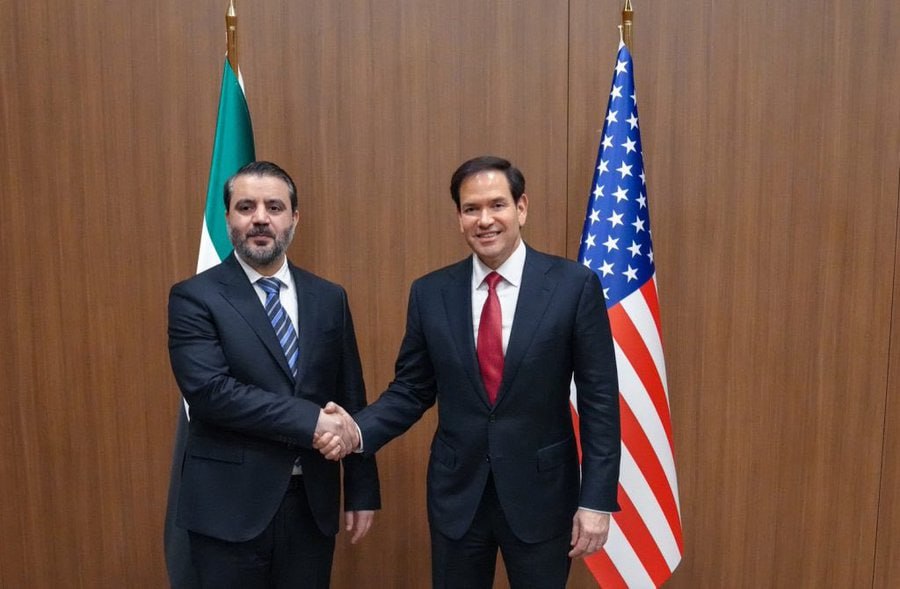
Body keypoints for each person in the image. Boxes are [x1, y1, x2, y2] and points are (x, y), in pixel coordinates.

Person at [317, 155, 621, 588]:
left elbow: (600, 401)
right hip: (458, 495)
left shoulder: (574, 286)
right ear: (459, 218)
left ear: (521, 208)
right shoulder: (430, 293)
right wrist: (356, 431)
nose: (485, 220)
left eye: (497, 205)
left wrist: (596, 501)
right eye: (471, 209)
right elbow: (412, 389)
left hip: (543, 494)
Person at [168, 160, 380, 589]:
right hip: (228, 508)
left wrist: (361, 489)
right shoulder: (194, 297)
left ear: (294, 217)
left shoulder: (329, 297)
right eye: (246, 207)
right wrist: (312, 421)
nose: (261, 218)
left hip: (311, 506)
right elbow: (212, 393)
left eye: (275, 207)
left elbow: (350, 395)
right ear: (227, 218)